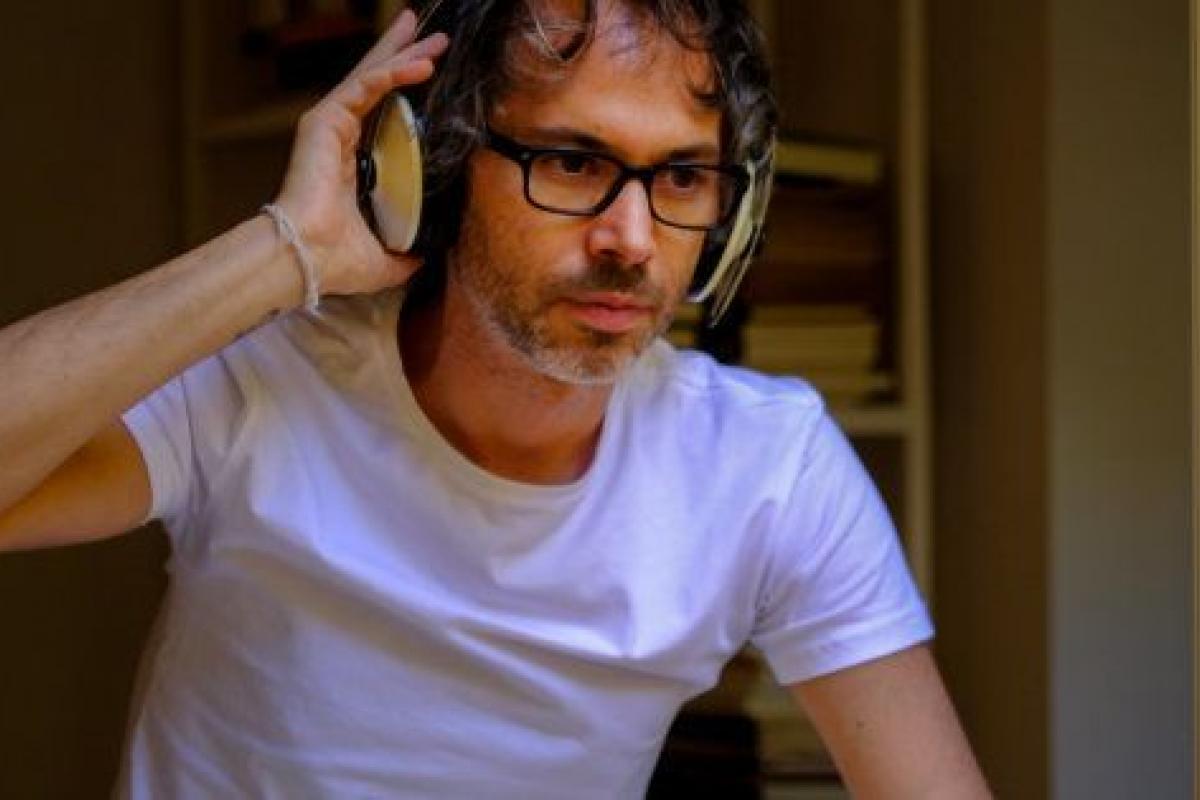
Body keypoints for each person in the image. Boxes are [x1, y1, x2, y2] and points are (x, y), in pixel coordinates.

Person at [0, 1, 990, 796]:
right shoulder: (260, 382)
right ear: (435, 168)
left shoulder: (769, 468)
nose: (632, 238)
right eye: (573, 162)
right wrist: (286, 248)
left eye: (684, 176)